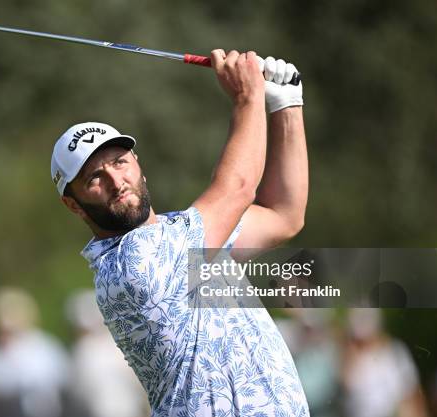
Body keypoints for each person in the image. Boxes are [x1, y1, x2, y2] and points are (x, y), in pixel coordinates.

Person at [51, 50, 309, 416]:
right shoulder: (133, 263)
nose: (116, 181)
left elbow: (284, 216)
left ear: (137, 163)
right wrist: (248, 95)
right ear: (73, 204)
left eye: (120, 162)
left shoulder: (180, 236)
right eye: (94, 177)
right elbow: (237, 188)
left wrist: (286, 104)